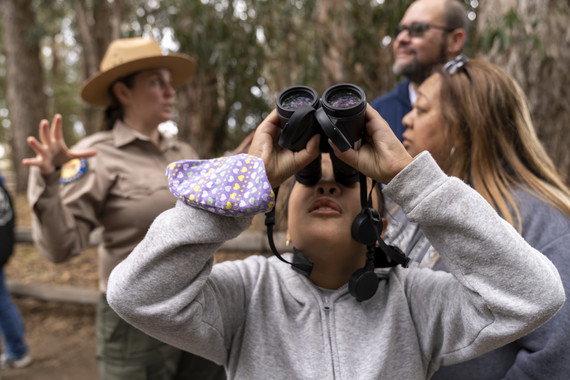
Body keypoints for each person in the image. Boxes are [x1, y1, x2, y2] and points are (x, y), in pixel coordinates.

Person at [105, 99, 564, 379]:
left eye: (348, 181)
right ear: (281, 218)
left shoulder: (416, 300)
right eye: (306, 179)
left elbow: (534, 296)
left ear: (380, 223)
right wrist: (239, 191)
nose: (327, 185)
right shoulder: (245, 294)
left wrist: (411, 180)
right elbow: (135, 295)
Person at [22, 37, 225, 379]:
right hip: (132, 321)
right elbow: (60, 248)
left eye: (169, 83)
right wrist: (48, 180)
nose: (169, 91)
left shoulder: (183, 153)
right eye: (156, 82)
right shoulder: (94, 156)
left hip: (196, 305)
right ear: (123, 93)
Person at [386, 56, 570, 379]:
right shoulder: (410, 208)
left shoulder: (543, 222)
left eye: (422, 109)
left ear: (462, 127)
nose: (406, 120)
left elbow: (557, 354)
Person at [370, 0, 469, 141]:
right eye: (399, 31)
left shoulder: (480, 107)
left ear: (455, 40)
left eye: (418, 29)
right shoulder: (378, 114)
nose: (401, 39)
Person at [0, 172, 33, 371]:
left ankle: (18, 350)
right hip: (3, 253)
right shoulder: (3, 189)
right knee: (3, 303)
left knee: (3, 305)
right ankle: (17, 349)